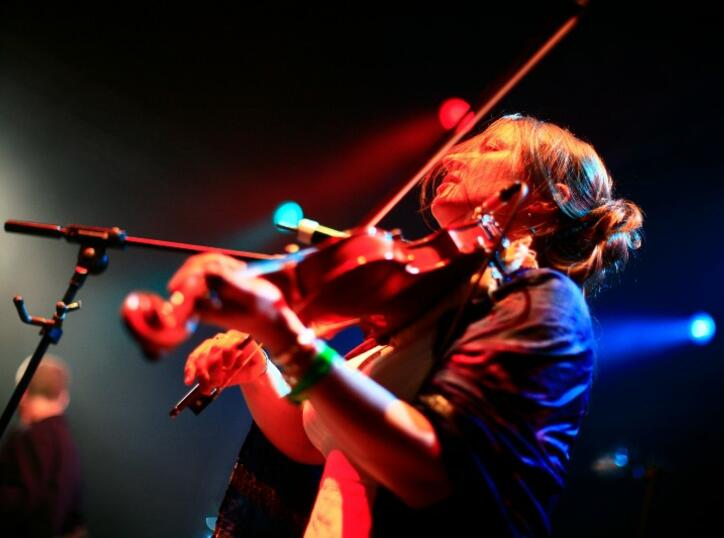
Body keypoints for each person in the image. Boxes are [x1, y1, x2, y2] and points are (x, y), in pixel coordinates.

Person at [170, 114, 643, 536]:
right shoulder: (430, 310)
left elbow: (433, 470)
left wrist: (287, 336)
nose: (456, 155)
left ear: (545, 201)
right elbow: (315, 439)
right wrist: (261, 371)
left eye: (491, 148)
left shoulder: (543, 304)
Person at [0, 355, 86, 537]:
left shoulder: (29, 437)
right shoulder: (68, 446)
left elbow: (18, 502)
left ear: (22, 394)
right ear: (63, 397)